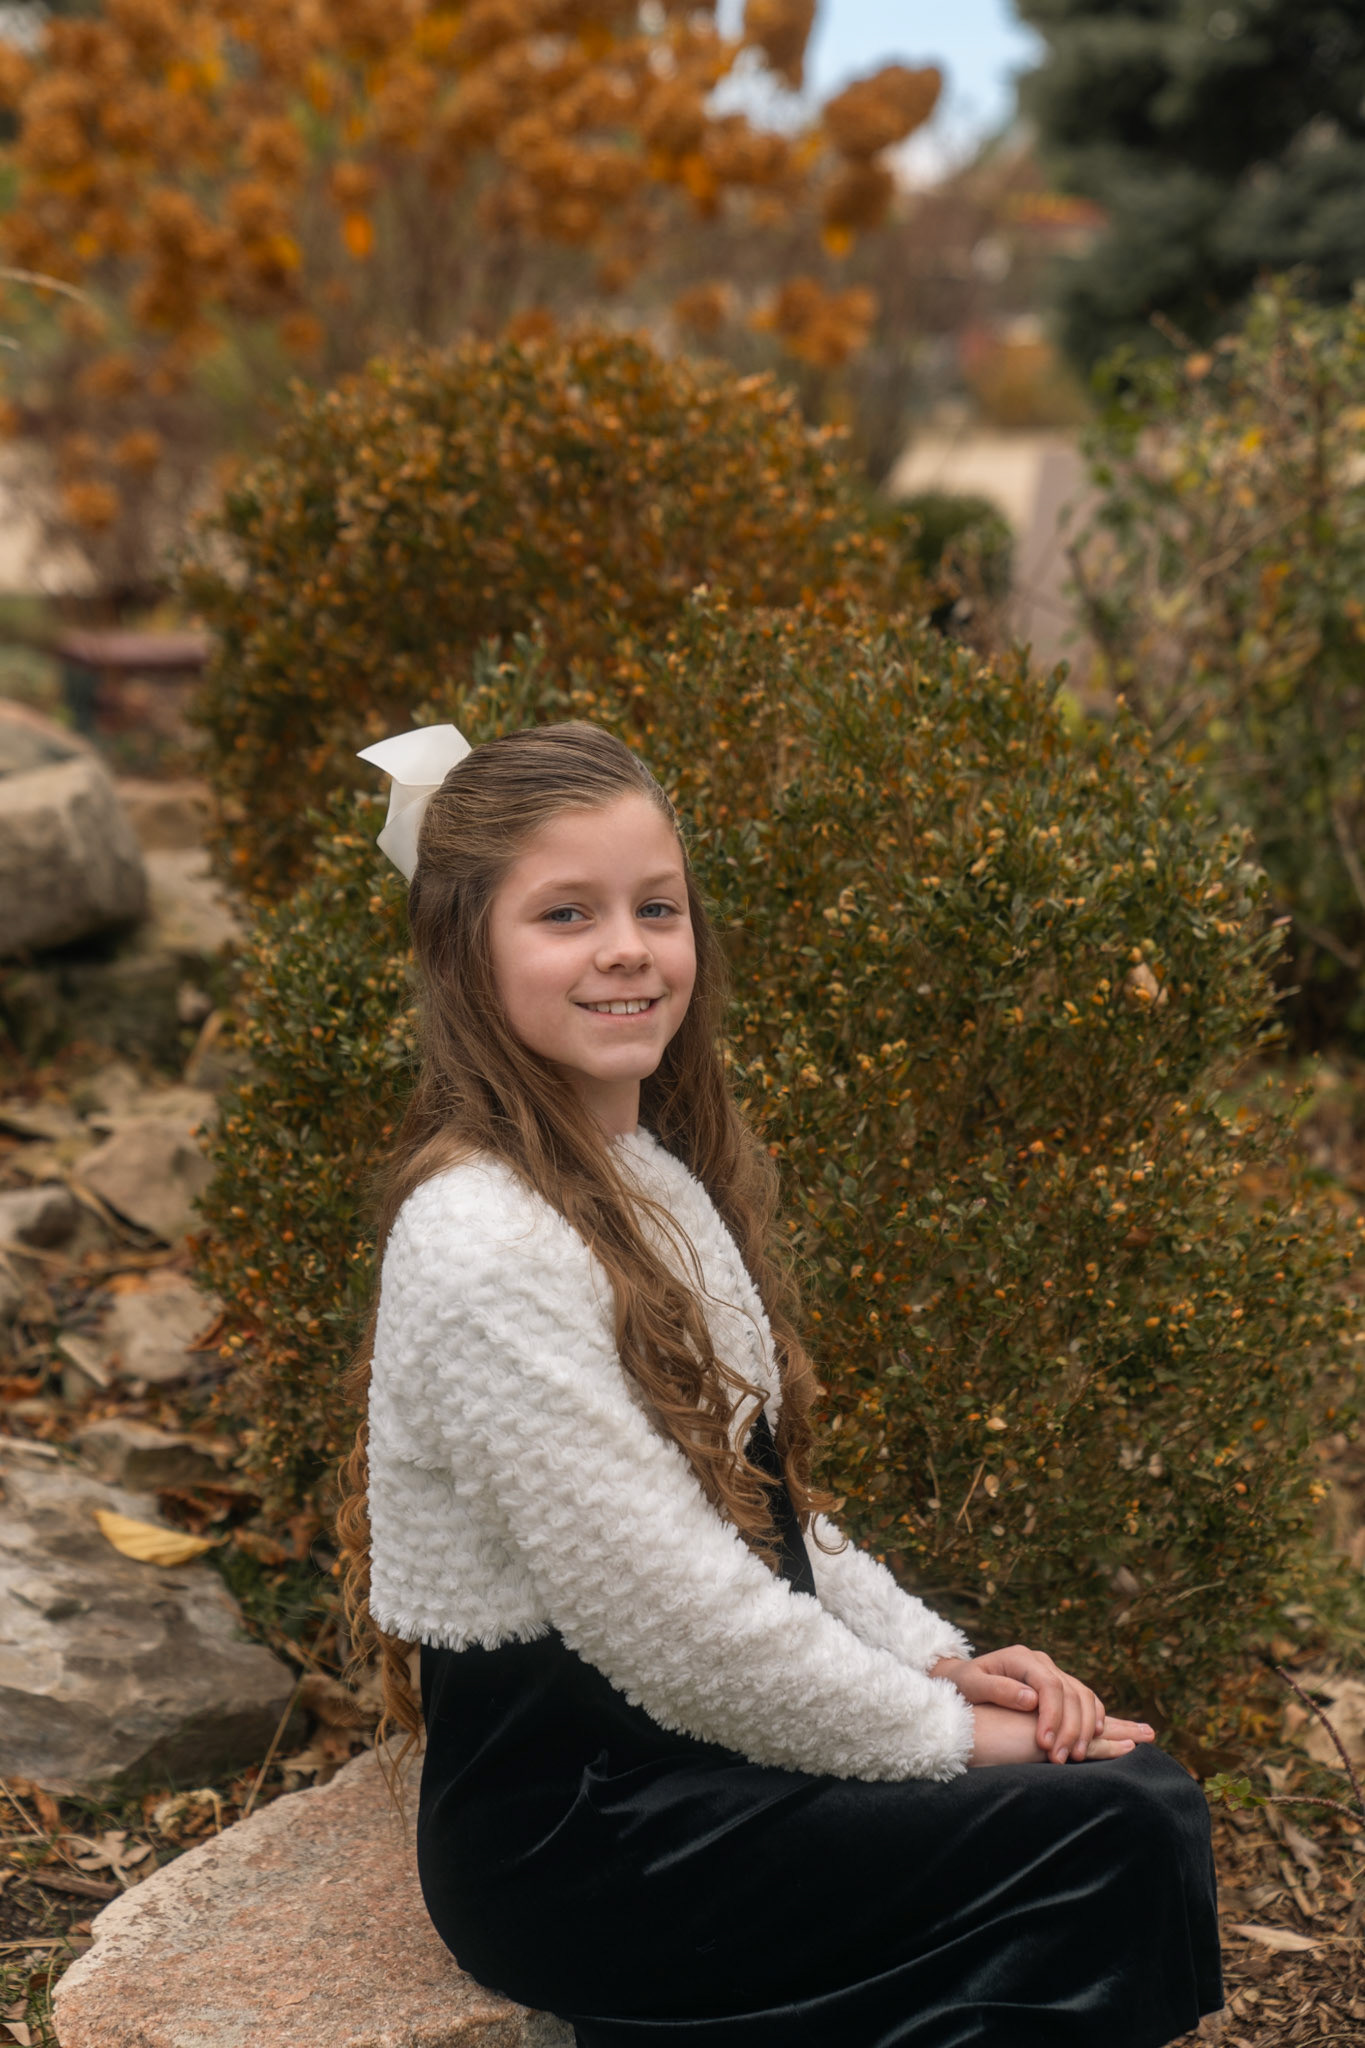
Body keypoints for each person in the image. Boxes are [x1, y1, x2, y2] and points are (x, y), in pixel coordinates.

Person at [338, 720, 1223, 2048]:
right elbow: (675, 1622)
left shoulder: (644, 1180)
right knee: (1113, 1821)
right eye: (567, 914)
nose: (627, 947)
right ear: (465, 950)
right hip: (582, 1832)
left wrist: (941, 1660)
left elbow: (765, 1520)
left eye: (656, 907)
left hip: (688, 1756)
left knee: (1130, 1804)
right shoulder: (481, 1241)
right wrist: (948, 1733)